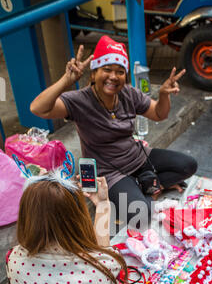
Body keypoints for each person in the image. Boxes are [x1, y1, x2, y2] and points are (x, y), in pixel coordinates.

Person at [30, 35, 198, 228]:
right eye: (107, 69)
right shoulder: (79, 100)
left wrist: (163, 95)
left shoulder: (128, 93)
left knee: (188, 166)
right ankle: (142, 189)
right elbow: (38, 108)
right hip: (109, 172)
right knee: (141, 216)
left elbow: (159, 114)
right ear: (93, 74)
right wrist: (66, 80)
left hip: (138, 157)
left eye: (119, 71)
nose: (113, 76)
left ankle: (145, 186)